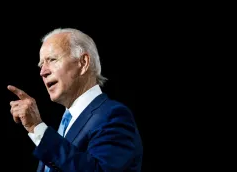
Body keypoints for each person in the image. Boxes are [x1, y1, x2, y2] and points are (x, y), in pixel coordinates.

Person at [8, 28, 143, 172]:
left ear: (83, 63)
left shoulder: (113, 115)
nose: (43, 72)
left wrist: (37, 127)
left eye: (52, 60)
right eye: (41, 65)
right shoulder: (65, 123)